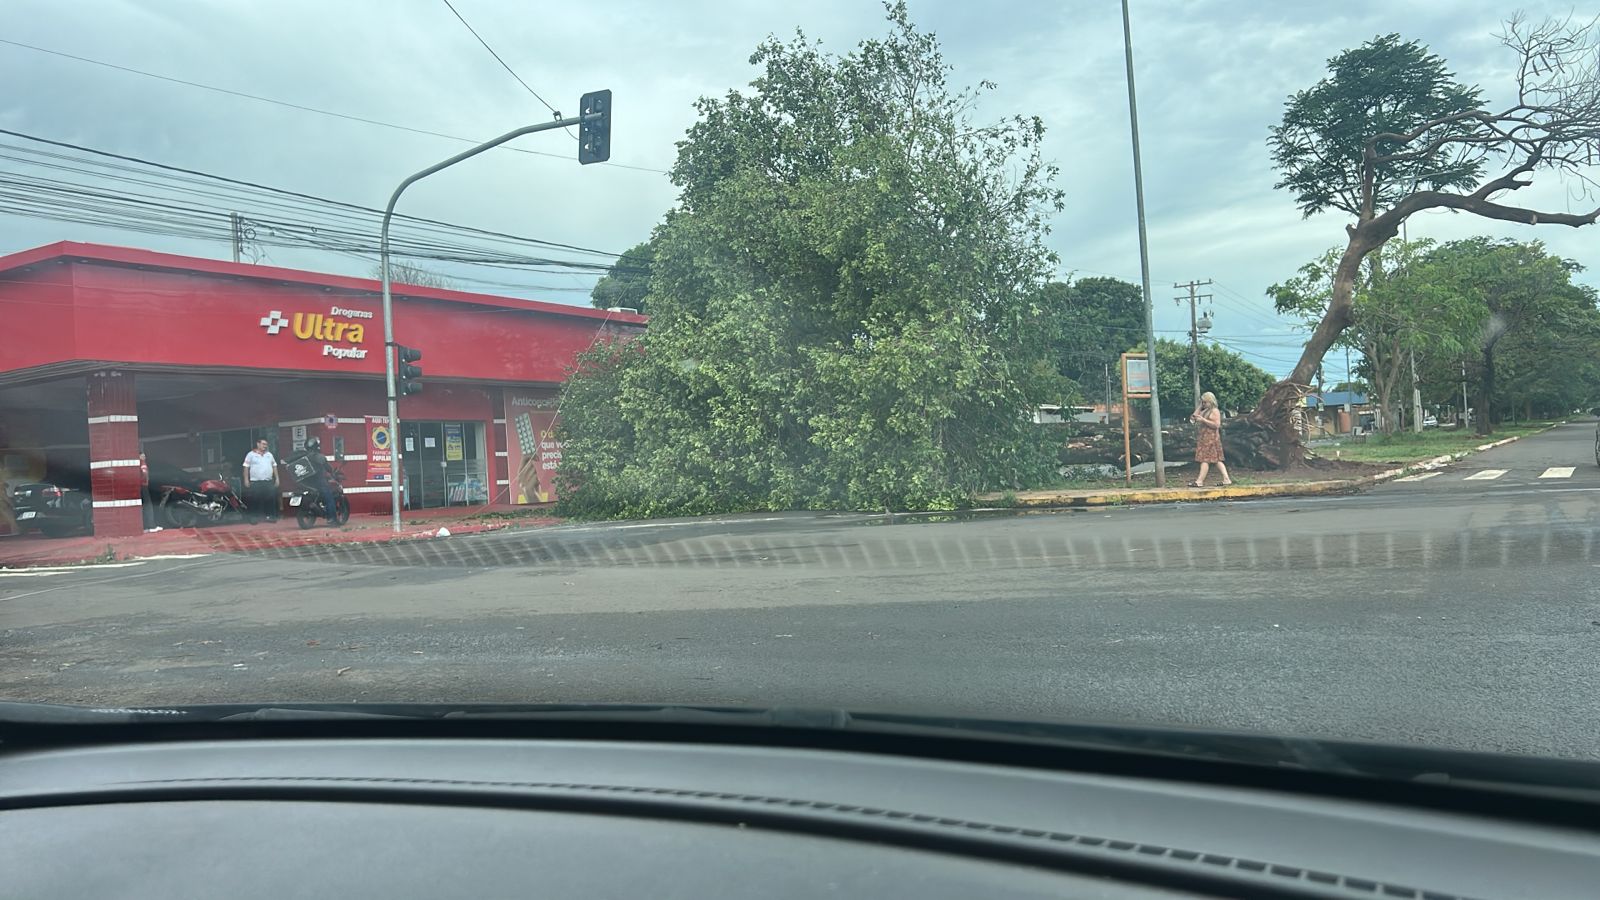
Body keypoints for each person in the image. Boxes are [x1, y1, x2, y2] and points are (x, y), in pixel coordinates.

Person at [1188, 391, 1233, 487]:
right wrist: (1200, 406)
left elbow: (1216, 425)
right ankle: (1226, 479)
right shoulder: (1205, 411)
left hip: (1211, 438)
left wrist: (1203, 420)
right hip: (1204, 438)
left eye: (1205, 402)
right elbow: (1193, 418)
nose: (1204, 404)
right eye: (1203, 402)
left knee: (1205, 459)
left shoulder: (1214, 411)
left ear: (1211, 401)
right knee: (1216, 460)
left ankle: (1199, 481)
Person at [302, 437, 338, 526]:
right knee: (330, 500)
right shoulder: (320, 457)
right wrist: (332, 472)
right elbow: (328, 468)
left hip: (305, 483)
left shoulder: (303, 457)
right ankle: (332, 519)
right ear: (317, 446)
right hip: (319, 483)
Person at [242, 438, 279, 523]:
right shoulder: (250, 455)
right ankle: (254, 517)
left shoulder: (269, 455)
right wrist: (246, 480)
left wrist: (277, 478)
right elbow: (246, 467)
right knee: (255, 499)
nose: (265, 446)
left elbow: (274, 466)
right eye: (263, 444)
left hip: (268, 481)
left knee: (270, 499)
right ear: (258, 444)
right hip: (256, 482)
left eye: (266, 444)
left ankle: (270, 516)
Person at [139, 451, 162, 533]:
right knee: (148, 506)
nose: (144, 456)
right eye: (142, 455)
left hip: (142, 486)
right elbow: (144, 473)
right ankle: (151, 526)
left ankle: (146, 526)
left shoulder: (141, 463)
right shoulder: (142, 463)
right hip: (143, 486)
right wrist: (145, 482)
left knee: (144, 506)